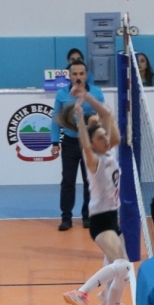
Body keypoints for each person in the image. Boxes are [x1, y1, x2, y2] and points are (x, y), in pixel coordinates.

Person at [61, 89, 133, 305]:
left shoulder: (109, 151)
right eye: (100, 137)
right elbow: (84, 143)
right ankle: (82, 293)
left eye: (104, 135)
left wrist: (87, 96)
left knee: (123, 273)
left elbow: (107, 114)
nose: (106, 138)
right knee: (124, 265)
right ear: (92, 143)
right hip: (101, 222)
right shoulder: (94, 160)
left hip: (113, 216)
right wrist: (80, 118)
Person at [50, 60, 106, 231]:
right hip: (69, 143)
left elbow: (103, 115)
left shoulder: (96, 93)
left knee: (90, 181)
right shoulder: (61, 94)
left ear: (86, 75)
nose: (78, 77)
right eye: (75, 74)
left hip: (89, 143)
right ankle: (66, 218)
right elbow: (55, 119)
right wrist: (55, 142)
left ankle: (88, 216)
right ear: (69, 76)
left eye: (81, 73)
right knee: (68, 180)